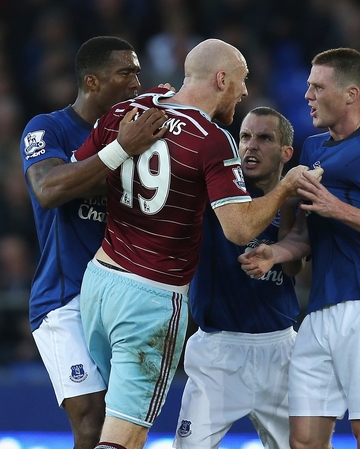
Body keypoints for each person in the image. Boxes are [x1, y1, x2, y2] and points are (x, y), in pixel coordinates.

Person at [67, 39, 320, 449]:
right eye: (241, 81)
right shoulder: (212, 139)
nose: (244, 91)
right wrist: (286, 187)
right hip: (150, 298)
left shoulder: (129, 111)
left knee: (100, 421)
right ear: (222, 79)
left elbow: (83, 173)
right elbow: (238, 229)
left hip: (98, 282)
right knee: (123, 437)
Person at [239, 48, 360, 449]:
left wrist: (338, 209)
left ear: (351, 94)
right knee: (302, 439)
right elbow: (306, 234)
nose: (307, 96)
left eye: (317, 87)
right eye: (308, 86)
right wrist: (276, 253)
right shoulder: (313, 149)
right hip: (319, 311)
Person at [20, 36, 168, 449]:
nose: (137, 82)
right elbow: (48, 189)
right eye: (127, 72)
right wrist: (123, 149)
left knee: (125, 422)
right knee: (90, 417)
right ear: (93, 81)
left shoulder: (143, 134)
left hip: (125, 298)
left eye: (138, 71)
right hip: (64, 298)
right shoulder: (48, 128)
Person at [173, 107, 304, 449]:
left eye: (264, 138)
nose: (251, 147)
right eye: (245, 137)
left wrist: (287, 206)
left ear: (286, 152)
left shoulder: (296, 204)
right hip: (217, 351)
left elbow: (294, 268)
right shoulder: (216, 195)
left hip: (280, 349)